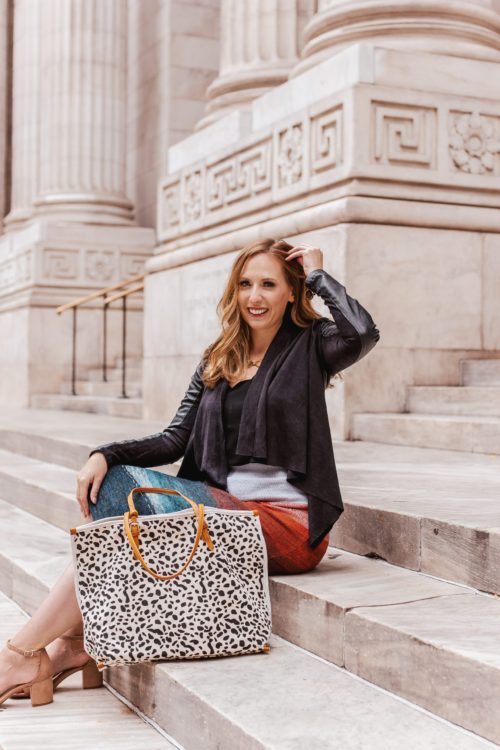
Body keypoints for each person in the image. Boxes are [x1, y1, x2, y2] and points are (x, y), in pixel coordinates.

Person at [0, 238, 380, 707]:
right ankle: (65, 647)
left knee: (122, 496)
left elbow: (362, 333)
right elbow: (173, 440)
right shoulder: (218, 358)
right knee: (113, 483)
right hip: (225, 510)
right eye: (245, 284)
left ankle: (29, 652)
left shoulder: (312, 346)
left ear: (290, 292)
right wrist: (105, 452)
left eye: (268, 284)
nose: (255, 296)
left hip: (289, 524)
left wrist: (319, 275)